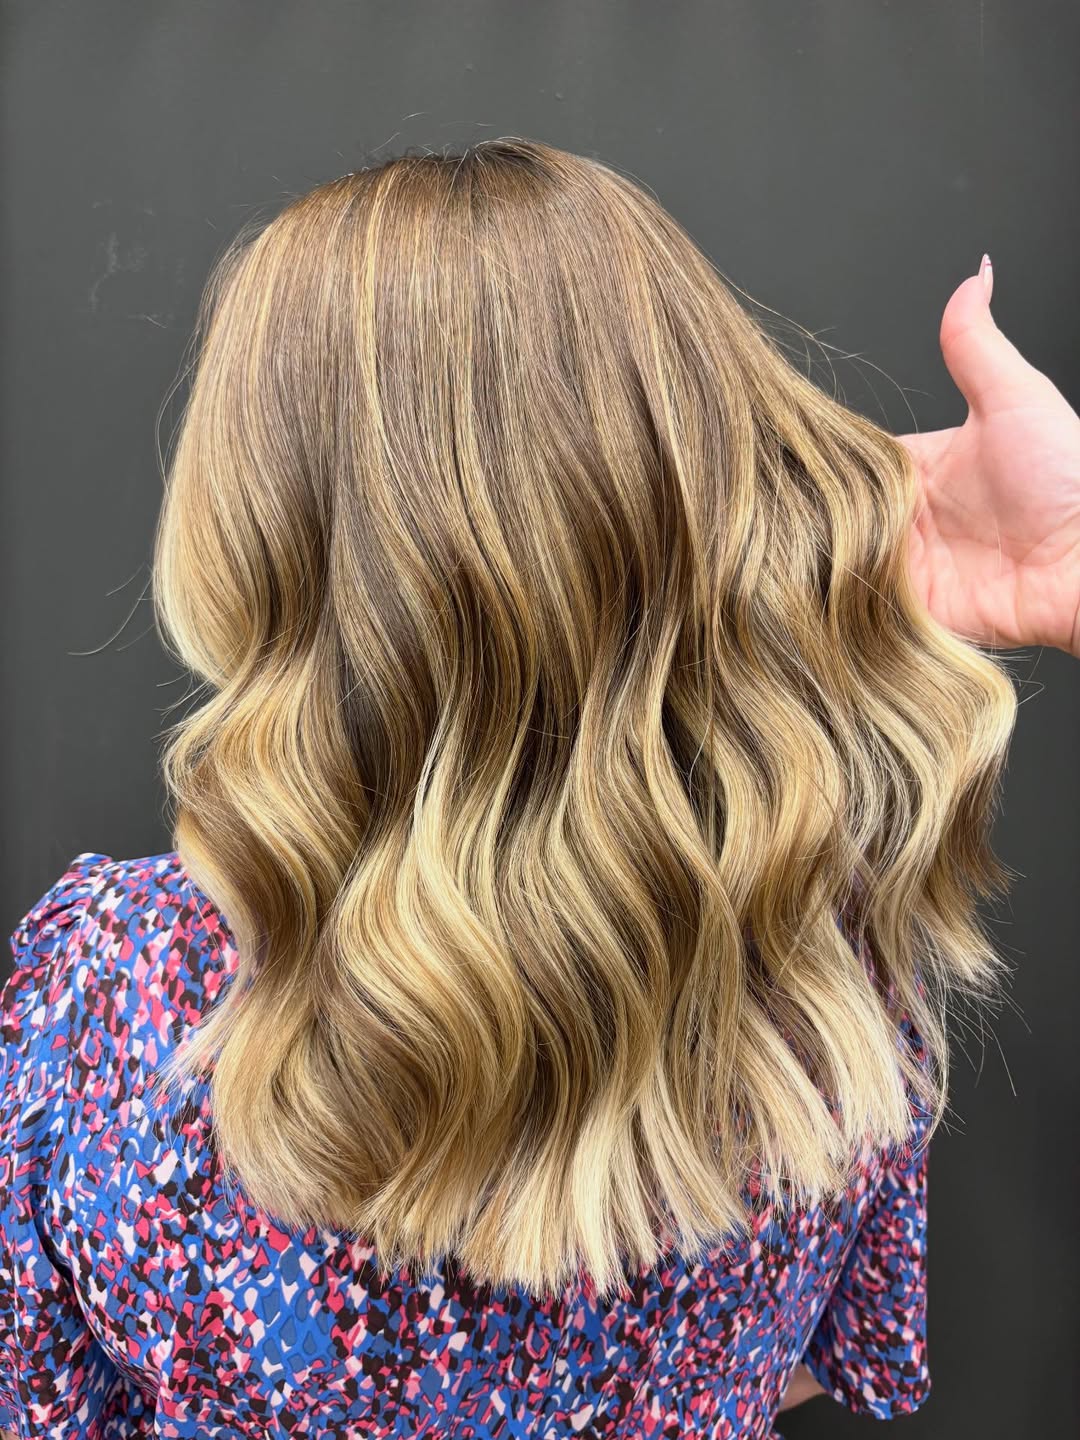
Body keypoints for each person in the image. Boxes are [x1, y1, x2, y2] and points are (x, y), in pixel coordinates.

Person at [0, 139, 1076, 1440]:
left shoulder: (97, 994)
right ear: (692, 470)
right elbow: (796, 1374)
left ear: (259, 528)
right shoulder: (828, 967)